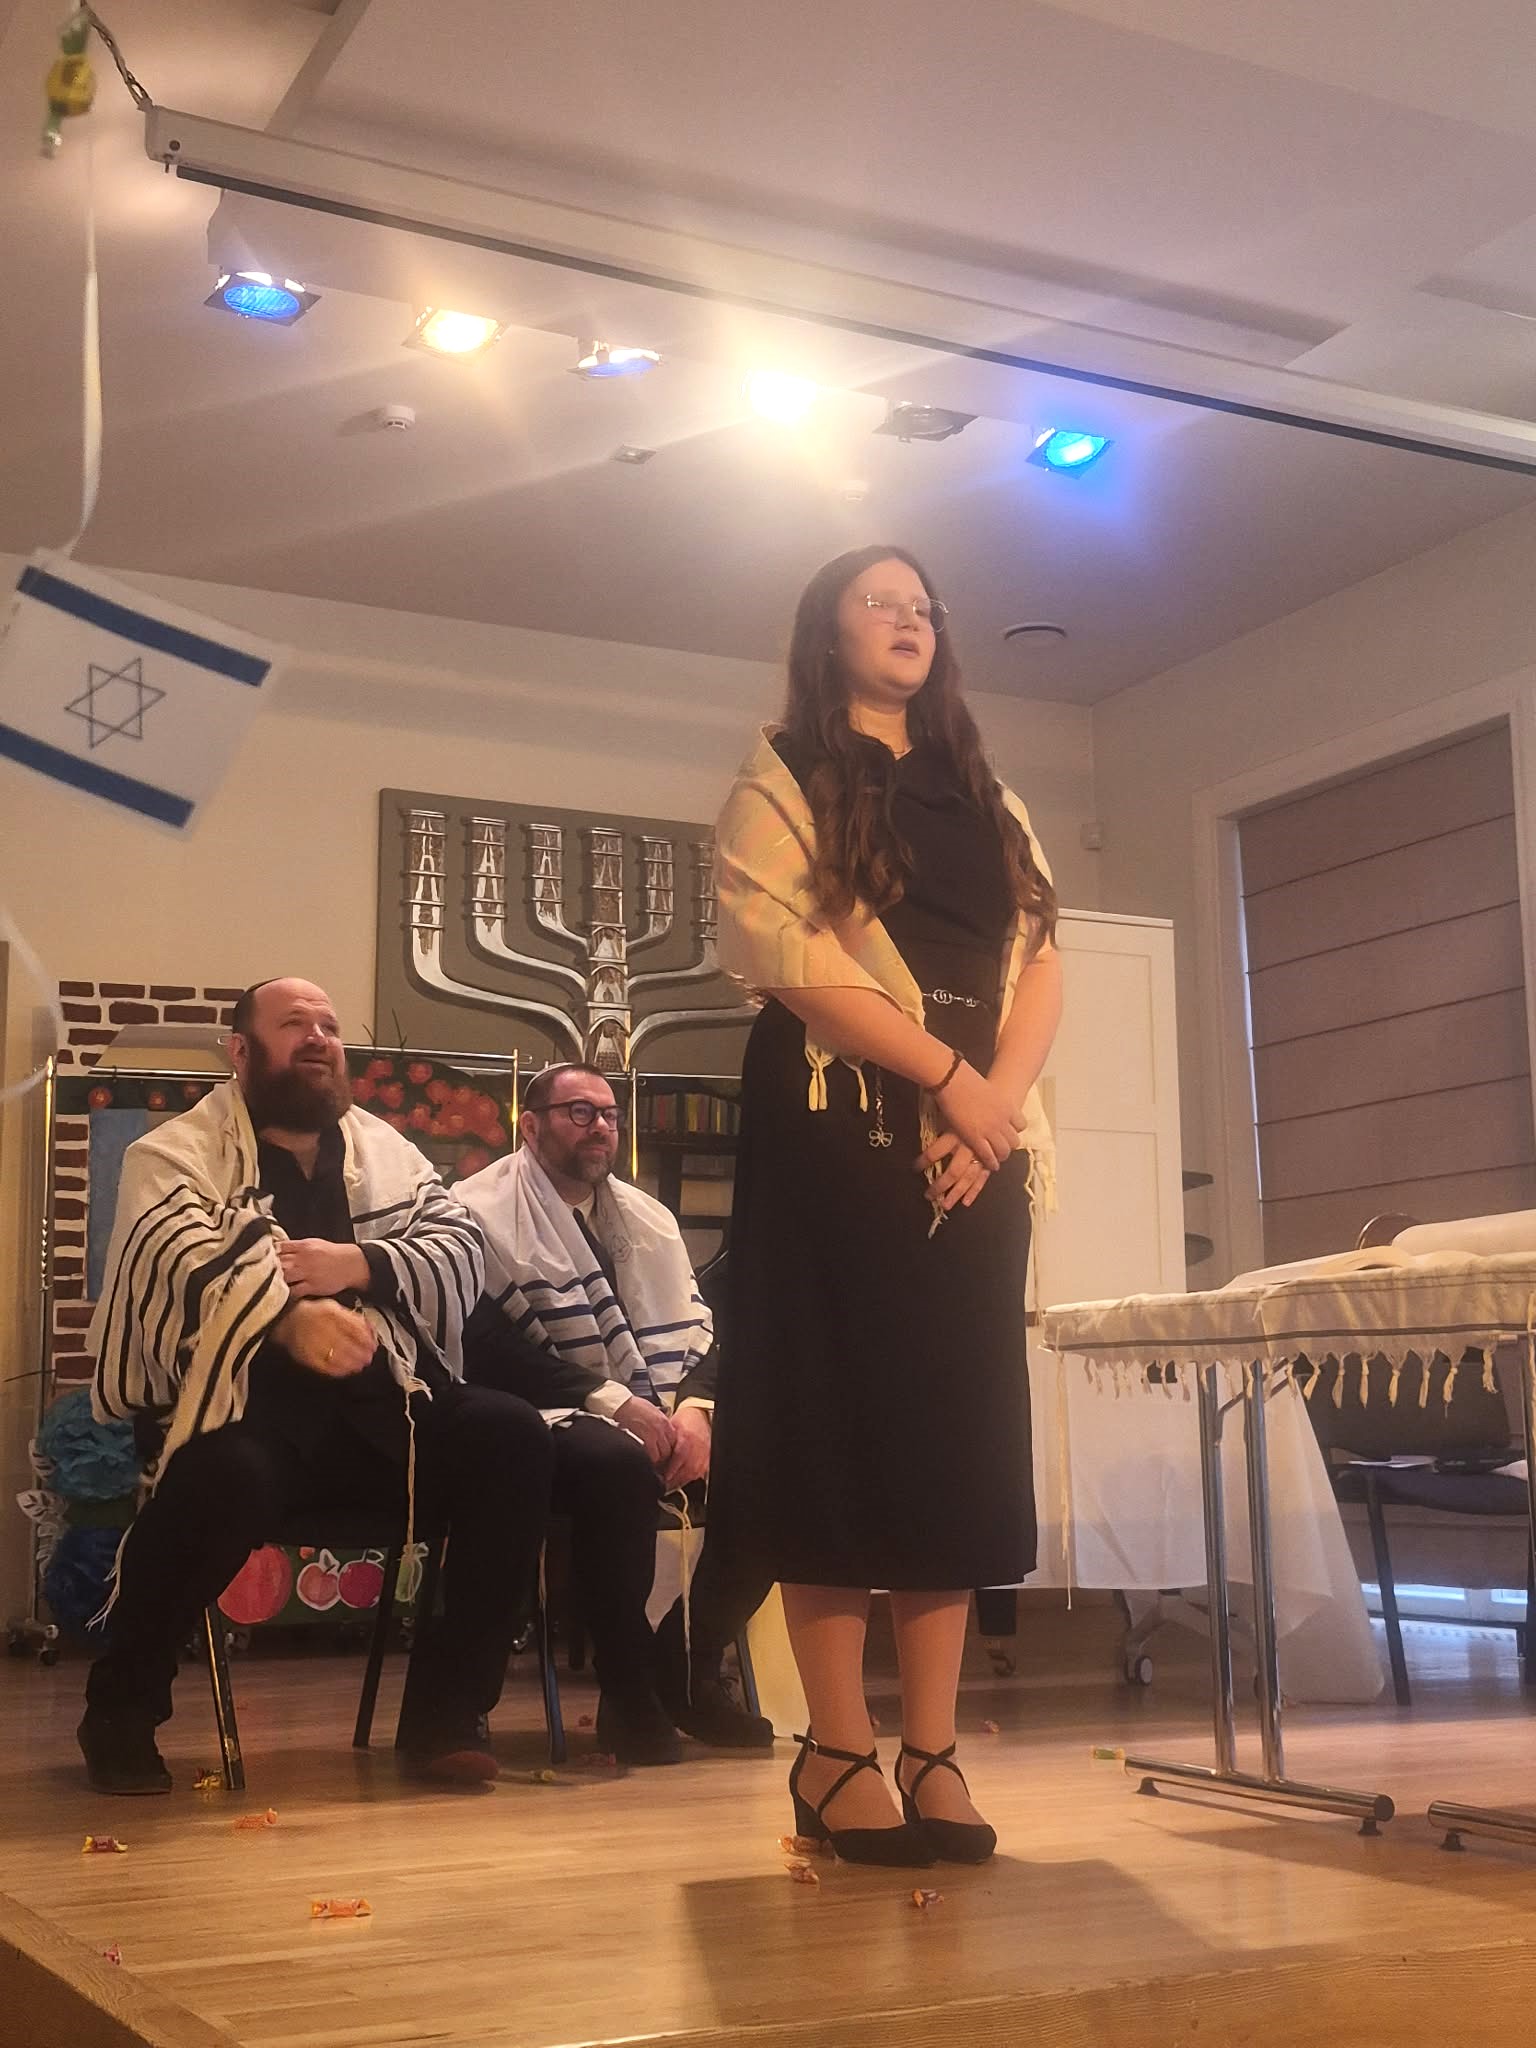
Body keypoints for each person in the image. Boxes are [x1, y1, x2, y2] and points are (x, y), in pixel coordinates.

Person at [708, 545, 1062, 1866]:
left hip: (978, 1136)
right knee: (834, 1428)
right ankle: (837, 1747)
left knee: (947, 1438)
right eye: (882, 601)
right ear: (829, 630)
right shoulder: (784, 772)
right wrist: (949, 1081)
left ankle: (935, 1748)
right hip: (838, 1120)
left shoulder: (986, 788)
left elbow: (1042, 957)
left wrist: (993, 1108)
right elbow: (784, 956)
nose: (911, 618)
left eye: (925, 605)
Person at [81, 978, 553, 1795]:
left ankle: (446, 1717)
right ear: (240, 1051)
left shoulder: (386, 1151)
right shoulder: (173, 1153)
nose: (317, 1038)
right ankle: (121, 1710)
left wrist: (359, 1263)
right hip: (247, 1415)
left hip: (384, 1417)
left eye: (329, 1026)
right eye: (294, 1023)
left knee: (510, 1436)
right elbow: (174, 1254)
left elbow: (459, 1243)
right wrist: (283, 1319)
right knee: (220, 1477)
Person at [458, 1062, 774, 1766]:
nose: (601, 1126)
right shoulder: (476, 1212)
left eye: (609, 1114)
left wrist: (695, 1413)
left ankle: (687, 1664)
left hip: (656, 1407)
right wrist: (615, 1403)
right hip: (541, 1414)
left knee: (778, 1474)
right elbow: (486, 1348)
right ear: (530, 1125)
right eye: (580, 1112)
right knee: (617, 1465)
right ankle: (629, 1687)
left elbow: (705, 1333)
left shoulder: (648, 1218)